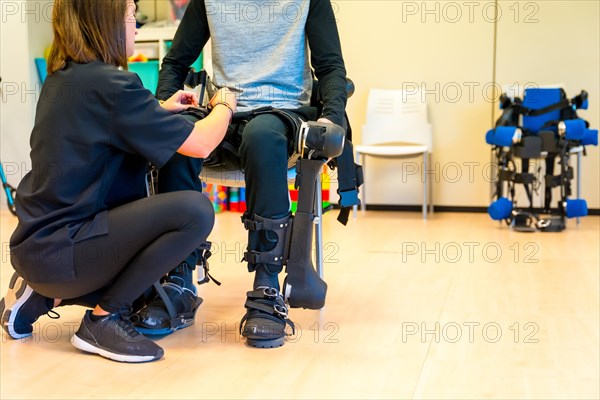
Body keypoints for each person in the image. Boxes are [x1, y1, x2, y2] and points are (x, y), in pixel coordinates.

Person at [0, 0, 236, 363]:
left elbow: (104, 126)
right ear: (105, 23)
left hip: (36, 248)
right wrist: (225, 104)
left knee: (147, 288)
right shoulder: (115, 85)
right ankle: (102, 319)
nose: (136, 27)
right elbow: (203, 142)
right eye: (130, 17)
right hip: (68, 253)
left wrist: (159, 110)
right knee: (195, 211)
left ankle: (43, 294)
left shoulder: (64, 77)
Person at [132, 0, 348, 348]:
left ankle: (267, 286)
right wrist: (164, 108)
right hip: (223, 112)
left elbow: (331, 67)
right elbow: (175, 61)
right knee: (178, 137)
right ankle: (178, 277)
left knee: (261, 135)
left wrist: (332, 117)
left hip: (282, 113)